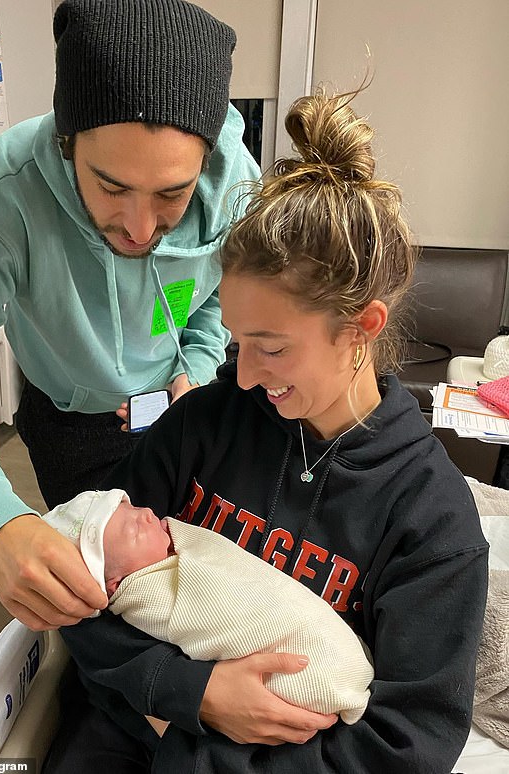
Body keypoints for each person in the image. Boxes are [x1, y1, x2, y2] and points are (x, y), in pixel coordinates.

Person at [58, 88, 489, 773]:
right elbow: (79, 585)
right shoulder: (202, 426)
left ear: (361, 328)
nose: (246, 375)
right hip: (129, 735)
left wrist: (194, 755)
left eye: (273, 347)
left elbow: (406, 746)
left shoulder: (431, 522)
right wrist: (193, 694)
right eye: (238, 342)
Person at [0, 0, 260, 630]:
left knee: (206, 583)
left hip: (181, 403)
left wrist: (196, 362)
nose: (141, 229)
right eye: (111, 187)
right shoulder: (0, 200)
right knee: (107, 615)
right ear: (68, 142)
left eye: (172, 195)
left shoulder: (234, 184)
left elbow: (226, 292)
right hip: (70, 423)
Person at [42, 488, 374, 724]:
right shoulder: (146, 596)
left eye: (132, 507)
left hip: (335, 659)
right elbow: (212, 620)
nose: (145, 514)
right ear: (113, 584)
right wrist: (196, 689)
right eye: (132, 529)